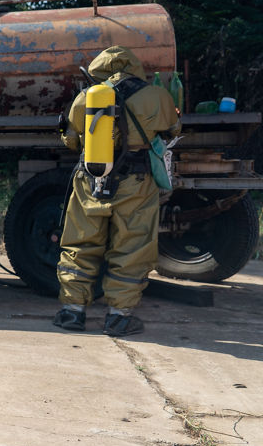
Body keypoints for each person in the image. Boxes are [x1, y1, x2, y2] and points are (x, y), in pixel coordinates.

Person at [53, 45, 180, 337]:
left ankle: (72, 312)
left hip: (91, 179)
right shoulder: (157, 96)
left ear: (99, 70)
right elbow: (173, 130)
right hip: (136, 182)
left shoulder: (87, 97)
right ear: (135, 67)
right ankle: (119, 317)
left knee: (80, 243)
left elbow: (70, 141)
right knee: (133, 246)